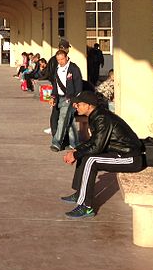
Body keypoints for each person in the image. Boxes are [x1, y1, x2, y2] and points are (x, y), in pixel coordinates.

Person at [60, 90, 145, 218]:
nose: (76, 106)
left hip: (130, 158)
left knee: (91, 160)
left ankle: (86, 206)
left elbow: (97, 147)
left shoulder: (101, 117)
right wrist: (77, 150)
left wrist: (76, 154)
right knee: (84, 155)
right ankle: (80, 194)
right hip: (118, 153)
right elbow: (94, 141)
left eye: (79, 104)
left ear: (89, 105)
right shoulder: (96, 115)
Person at [49, 48, 83, 151]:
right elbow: (55, 85)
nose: (60, 61)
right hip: (59, 98)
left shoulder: (73, 68)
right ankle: (75, 144)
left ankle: (56, 143)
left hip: (70, 99)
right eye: (58, 60)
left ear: (66, 57)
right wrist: (53, 97)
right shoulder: (57, 69)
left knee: (63, 119)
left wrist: (76, 100)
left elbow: (78, 85)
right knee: (70, 121)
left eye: (62, 59)